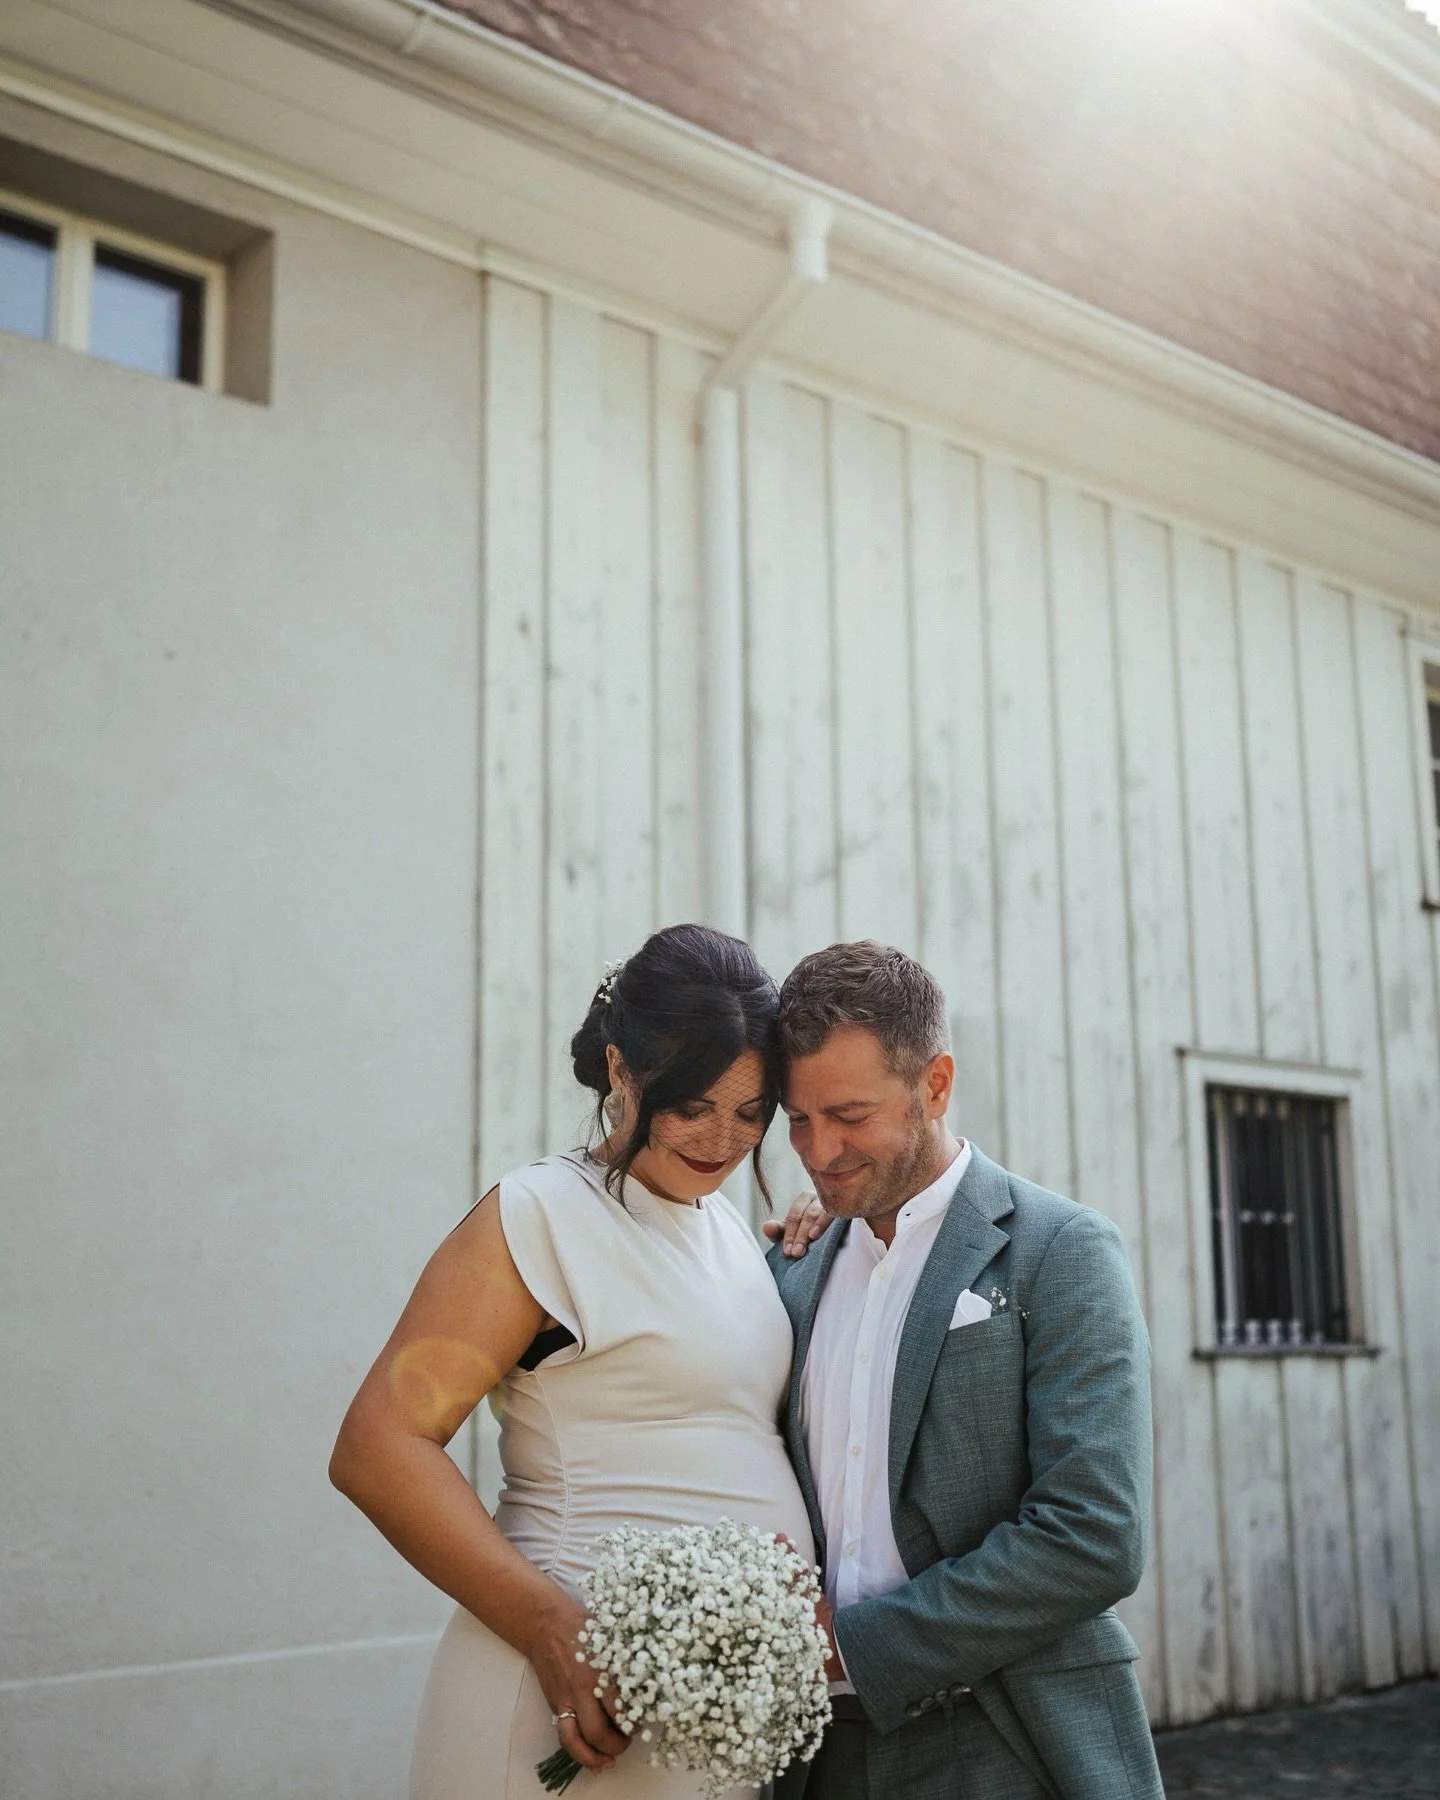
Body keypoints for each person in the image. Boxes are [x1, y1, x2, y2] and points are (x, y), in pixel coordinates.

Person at [329, 923, 815, 1800]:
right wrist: (554, 1628)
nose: (721, 1139)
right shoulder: (538, 1215)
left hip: (704, 1723)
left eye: (750, 1113)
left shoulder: (729, 1229)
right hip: (560, 1703)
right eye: (691, 1104)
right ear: (621, 1070)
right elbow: (378, 1446)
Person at [762, 941, 1164, 1800]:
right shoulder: (789, 1269)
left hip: (1004, 1737)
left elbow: (1094, 1534)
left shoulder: (1061, 1251)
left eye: (849, 1114)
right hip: (812, 1755)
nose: (819, 1150)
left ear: (935, 1084)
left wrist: (850, 1645)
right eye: (798, 1119)